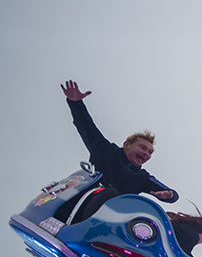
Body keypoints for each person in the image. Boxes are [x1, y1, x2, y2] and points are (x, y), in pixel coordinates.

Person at [58, 80, 177, 222]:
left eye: (150, 152)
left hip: (106, 217)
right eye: (143, 148)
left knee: (113, 196)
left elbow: (172, 194)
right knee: (106, 191)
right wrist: (75, 103)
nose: (146, 154)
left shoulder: (143, 178)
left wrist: (168, 195)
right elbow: (86, 127)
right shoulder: (106, 151)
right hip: (78, 201)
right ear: (127, 145)